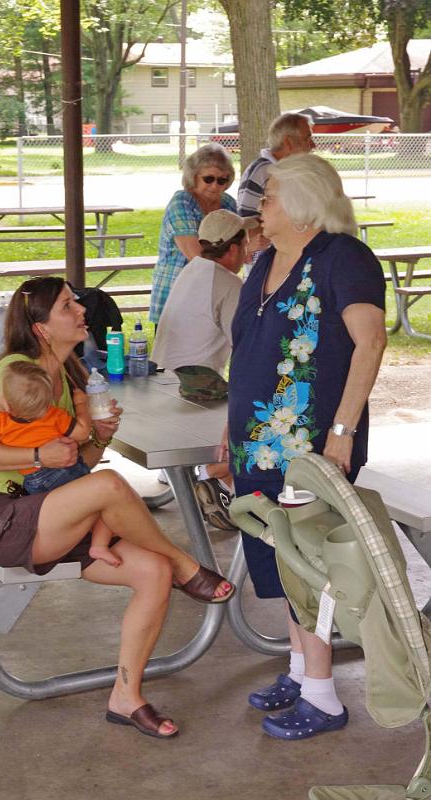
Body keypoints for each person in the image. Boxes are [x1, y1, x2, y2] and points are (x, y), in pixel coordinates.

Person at [0, 276, 236, 740]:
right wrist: (35, 457)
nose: (83, 311)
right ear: (42, 327)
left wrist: (100, 439)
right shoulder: (12, 372)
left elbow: (74, 467)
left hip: (54, 515)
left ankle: (126, 697)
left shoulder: (71, 379)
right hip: (1, 517)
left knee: (151, 571)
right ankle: (186, 563)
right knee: (112, 486)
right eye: (69, 306)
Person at [224, 153, 386, 740]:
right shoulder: (267, 258)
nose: (258, 206)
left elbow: (369, 342)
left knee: (310, 565)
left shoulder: (345, 257)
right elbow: (245, 350)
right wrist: (230, 426)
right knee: (278, 562)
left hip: (313, 448)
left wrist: (342, 432)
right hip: (255, 445)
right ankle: (299, 670)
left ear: (301, 203)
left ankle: (324, 697)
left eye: (267, 197)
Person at [152, 209, 259, 530]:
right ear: (232, 249)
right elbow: (244, 346)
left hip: (163, 377)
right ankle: (215, 477)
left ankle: (203, 475)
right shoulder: (229, 283)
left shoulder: (192, 268)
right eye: (245, 243)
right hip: (197, 383)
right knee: (257, 408)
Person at [0, 360, 121, 569]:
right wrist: (82, 404)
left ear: (6, 404)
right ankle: (100, 544)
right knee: (102, 503)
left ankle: (98, 542)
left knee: (99, 502)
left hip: (35, 484)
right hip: (65, 473)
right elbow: (82, 431)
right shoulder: (53, 416)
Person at [149, 142, 237, 325]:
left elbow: (239, 247)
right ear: (194, 176)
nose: (215, 186)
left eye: (222, 180)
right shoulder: (181, 202)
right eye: (208, 179)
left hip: (212, 296)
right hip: (176, 296)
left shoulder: (228, 203)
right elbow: (196, 256)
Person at [237, 112, 315, 274]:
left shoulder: (291, 171)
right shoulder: (262, 171)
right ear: (288, 142)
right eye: (307, 138)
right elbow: (246, 222)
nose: (313, 145)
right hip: (268, 265)